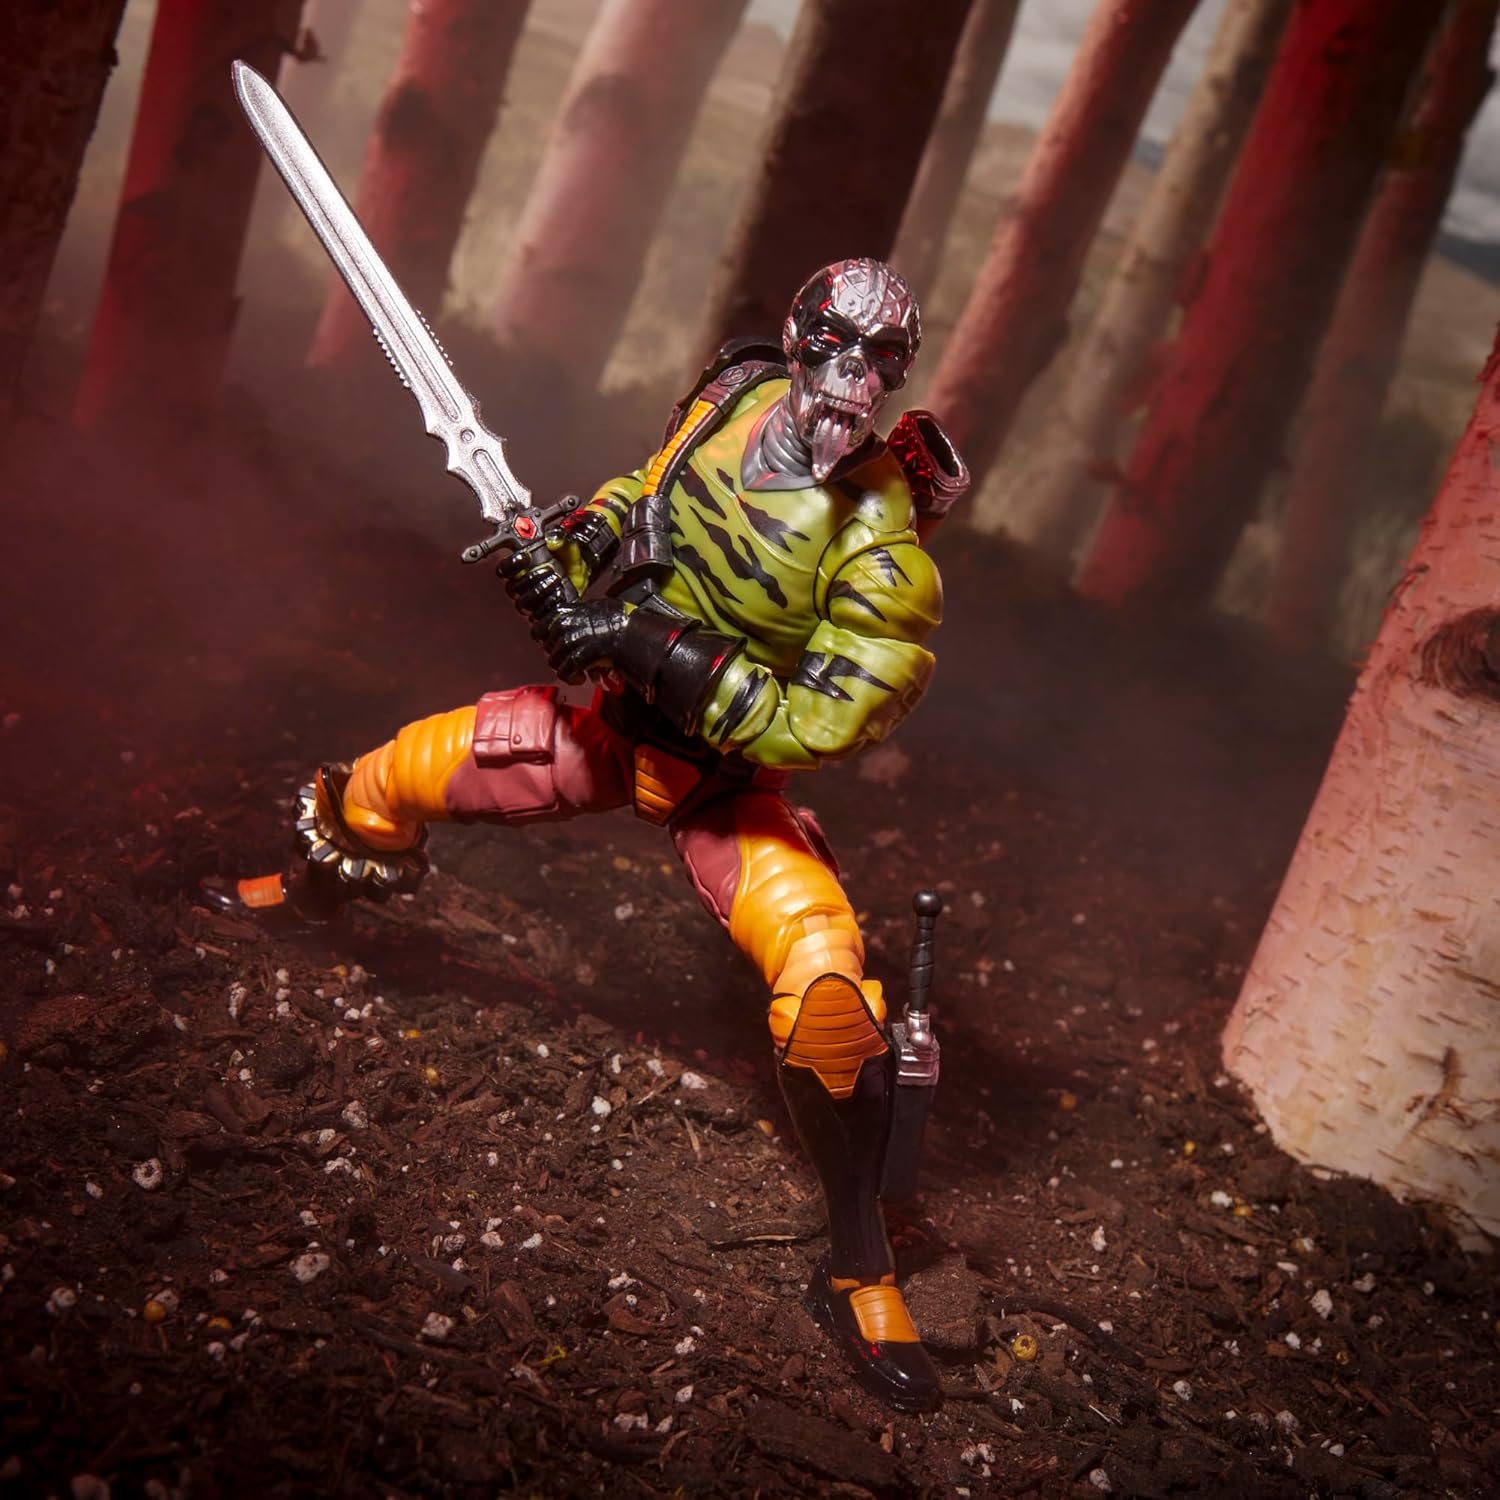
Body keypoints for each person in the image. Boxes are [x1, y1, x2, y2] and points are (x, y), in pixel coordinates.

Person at [241, 258, 967, 1411]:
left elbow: (819, 720)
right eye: (835, 342)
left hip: (727, 788)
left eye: (882, 360)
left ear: (901, 375)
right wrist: (573, 544)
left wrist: (634, 640)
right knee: (387, 777)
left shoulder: (884, 549)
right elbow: (647, 491)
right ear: (796, 335)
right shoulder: (732, 393)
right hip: (604, 735)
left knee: (828, 993)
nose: (852, 376)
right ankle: (306, 899)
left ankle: (858, 1265)